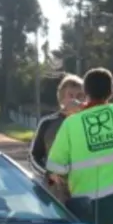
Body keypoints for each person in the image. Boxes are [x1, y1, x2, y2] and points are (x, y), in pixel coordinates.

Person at [45, 68, 113, 224]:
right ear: (112, 91)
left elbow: (55, 168)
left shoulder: (71, 123)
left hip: (83, 204)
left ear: (85, 92)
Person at [29, 74, 85, 202]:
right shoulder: (47, 123)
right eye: (71, 96)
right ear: (61, 99)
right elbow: (33, 157)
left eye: (80, 96)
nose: (75, 100)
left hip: (84, 191)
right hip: (54, 193)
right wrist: (48, 173)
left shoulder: (90, 123)